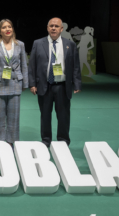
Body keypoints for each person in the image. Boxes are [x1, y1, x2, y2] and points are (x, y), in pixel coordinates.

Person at [28, 17, 82, 147]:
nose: (53, 28)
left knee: (63, 116)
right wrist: (32, 83)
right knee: (45, 115)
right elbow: (32, 65)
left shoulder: (70, 44)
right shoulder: (38, 43)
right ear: (47, 28)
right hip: (44, 85)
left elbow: (75, 65)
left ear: (61, 29)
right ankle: (46, 140)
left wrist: (77, 83)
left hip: (62, 86)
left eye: (56, 26)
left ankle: (63, 141)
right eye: (51, 26)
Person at [0, 19, 29, 147]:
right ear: (0, 31)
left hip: (15, 84)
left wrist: (25, 83)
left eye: (9, 26)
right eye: (4, 27)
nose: (7, 29)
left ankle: (11, 143)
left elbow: (24, 65)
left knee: (14, 118)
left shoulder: (20, 44)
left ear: (13, 29)